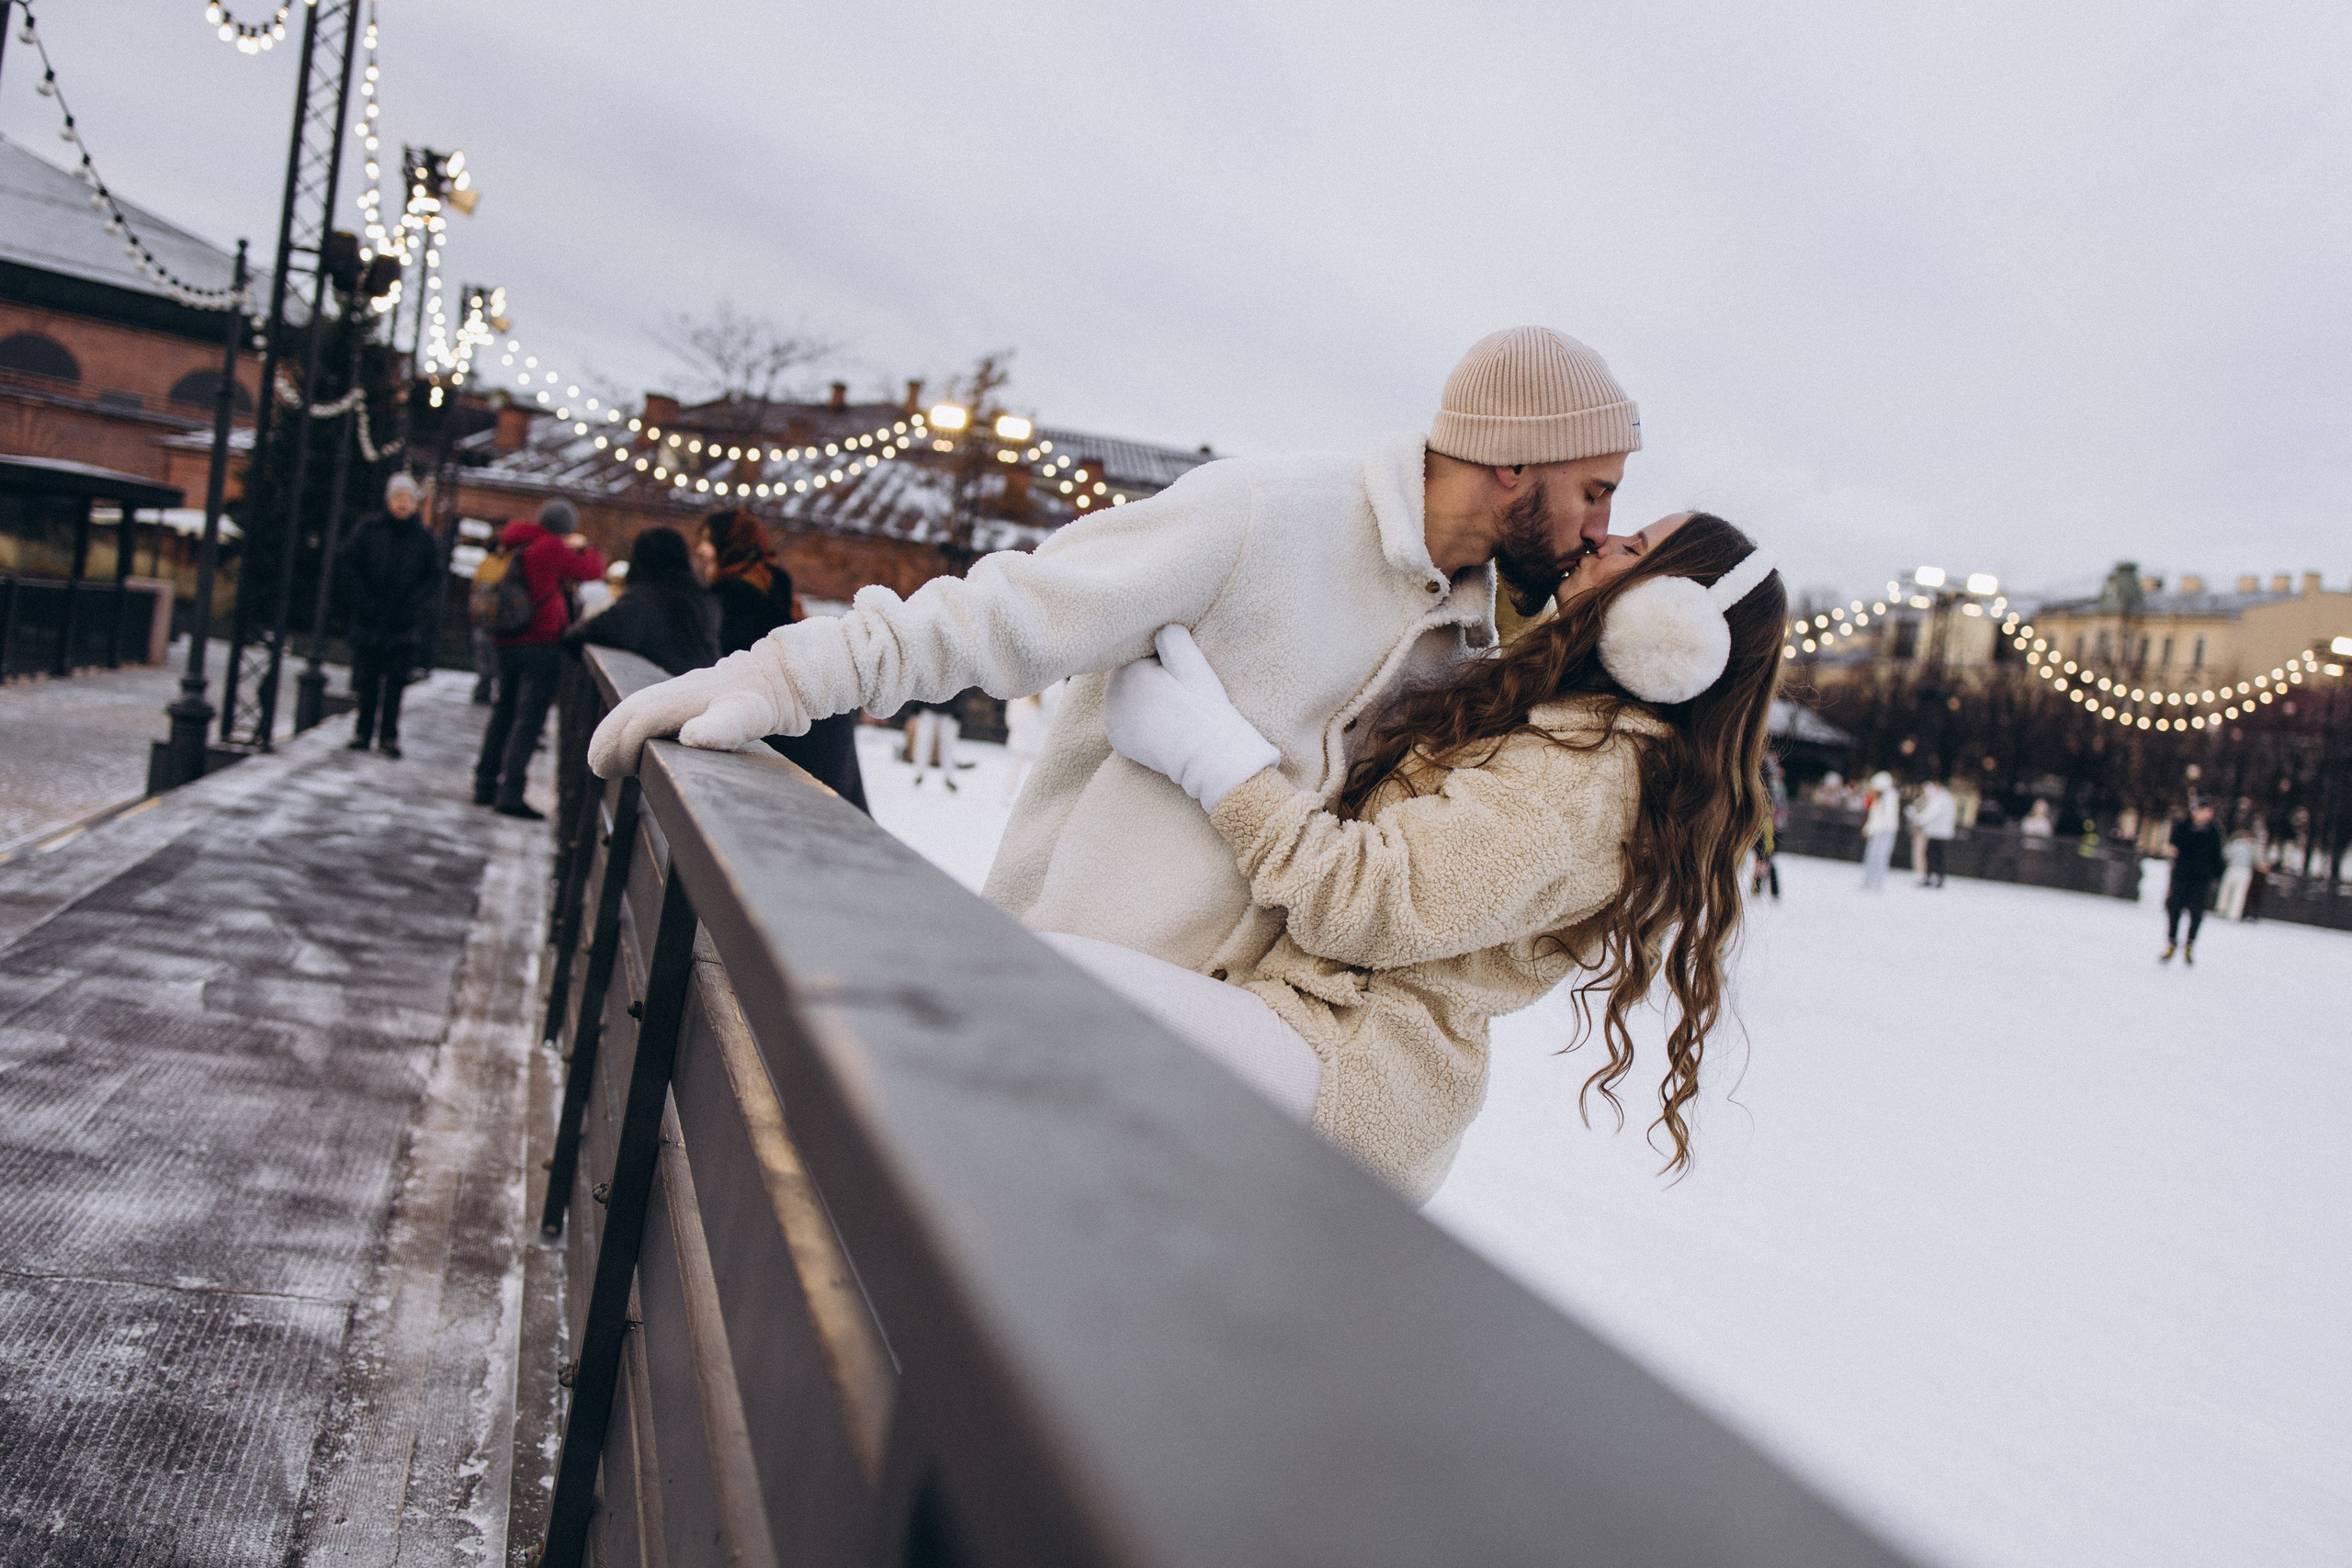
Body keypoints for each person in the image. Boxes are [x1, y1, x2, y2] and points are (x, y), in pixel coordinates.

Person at [590, 326, 1645, 977]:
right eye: (1595, 490)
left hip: (1215, 1070)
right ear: (1513, 463)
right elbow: (1007, 612)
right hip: (1062, 993)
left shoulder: (1468, 635)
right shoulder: (1266, 515)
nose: (1602, 525)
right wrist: (778, 676)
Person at [1085, 512, 1782, 1199]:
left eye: (1634, 546)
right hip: (1310, 1034)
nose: (1602, 537)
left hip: (1351, 1065)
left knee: (1048, 987)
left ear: (1675, 623)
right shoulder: (1567, 727)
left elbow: (1371, 903)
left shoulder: (1591, 781)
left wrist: (1213, 759)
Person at [702, 509, 869, 814]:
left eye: (707, 540)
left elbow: (730, 664)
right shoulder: (776, 587)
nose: (701, 550)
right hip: (820, 714)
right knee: (836, 813)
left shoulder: (729, 597)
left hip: (787, 720)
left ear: (729, 545)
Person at [474, 499, 605, 819]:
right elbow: (593, 570)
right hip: (539, 641)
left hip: (506, 639)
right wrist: (585, 547)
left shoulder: (516, 541)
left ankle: (484, 783)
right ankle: (511, 793)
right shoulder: (550, 547)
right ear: (565, 527)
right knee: (530, 718)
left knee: (504, 710)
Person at [338, 471, 440, 759]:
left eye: (409, 499)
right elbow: (350, 565)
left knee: (396, 682)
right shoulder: (369, 530)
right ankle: (363, 731)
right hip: (370, 617)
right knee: (367, 679)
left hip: (402, 622)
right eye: (399, 498)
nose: (404, 504)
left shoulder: (423, 538)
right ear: (389, 500)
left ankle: (389, 736)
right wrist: (363, 600)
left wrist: (413, 604)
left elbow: (432, 577)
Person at [562, 527, 718, 676]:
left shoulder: (643, 600)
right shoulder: (703, 600)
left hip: (664, 693)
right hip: (702, 690)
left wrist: (570, 636)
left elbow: (597, 630)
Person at [2162, 800, 2224, 963]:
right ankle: (2172, 941)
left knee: (2197, 912)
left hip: (2202, 878)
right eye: (2205, 810)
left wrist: (2217, 875)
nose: (2208, 814)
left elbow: (2217, 855)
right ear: (2195, 811)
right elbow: (2175, 845)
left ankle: (2190, 944)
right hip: (2181, 875)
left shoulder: (2214, 831)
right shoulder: (2183, 826)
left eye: (2210, 811)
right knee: (2174, 909)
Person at [1909, 778, 1958, 887]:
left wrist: (1916, 819)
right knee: (1933, 855)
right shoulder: (1942, 797)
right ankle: (1932, 876)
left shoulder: (1941, 797)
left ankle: (1936, 877)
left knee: (1935, 855)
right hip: (1936, 832)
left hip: (1938, 832)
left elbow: (1931, 813)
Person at [1860, 771, 1900, 890]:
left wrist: (1872, 828)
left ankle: (1877, 882)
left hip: (1885, 831)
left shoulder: (1890, 796)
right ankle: (1869, 880)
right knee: (1871, 855)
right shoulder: (1879, 797)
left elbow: (1886, 817)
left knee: (1881, 856)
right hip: (1877, 831)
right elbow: (1874, 815)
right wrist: (1868, 828)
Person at [2217, 827, 2258, 919]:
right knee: (2240, 893)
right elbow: (2256, 860)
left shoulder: (2233, 845)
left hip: (2232, 868)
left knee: (2226, 890)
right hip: (2245, 871)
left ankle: (2221, 909)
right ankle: (2234, 914)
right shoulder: (2251, 847)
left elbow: (2225, 856)